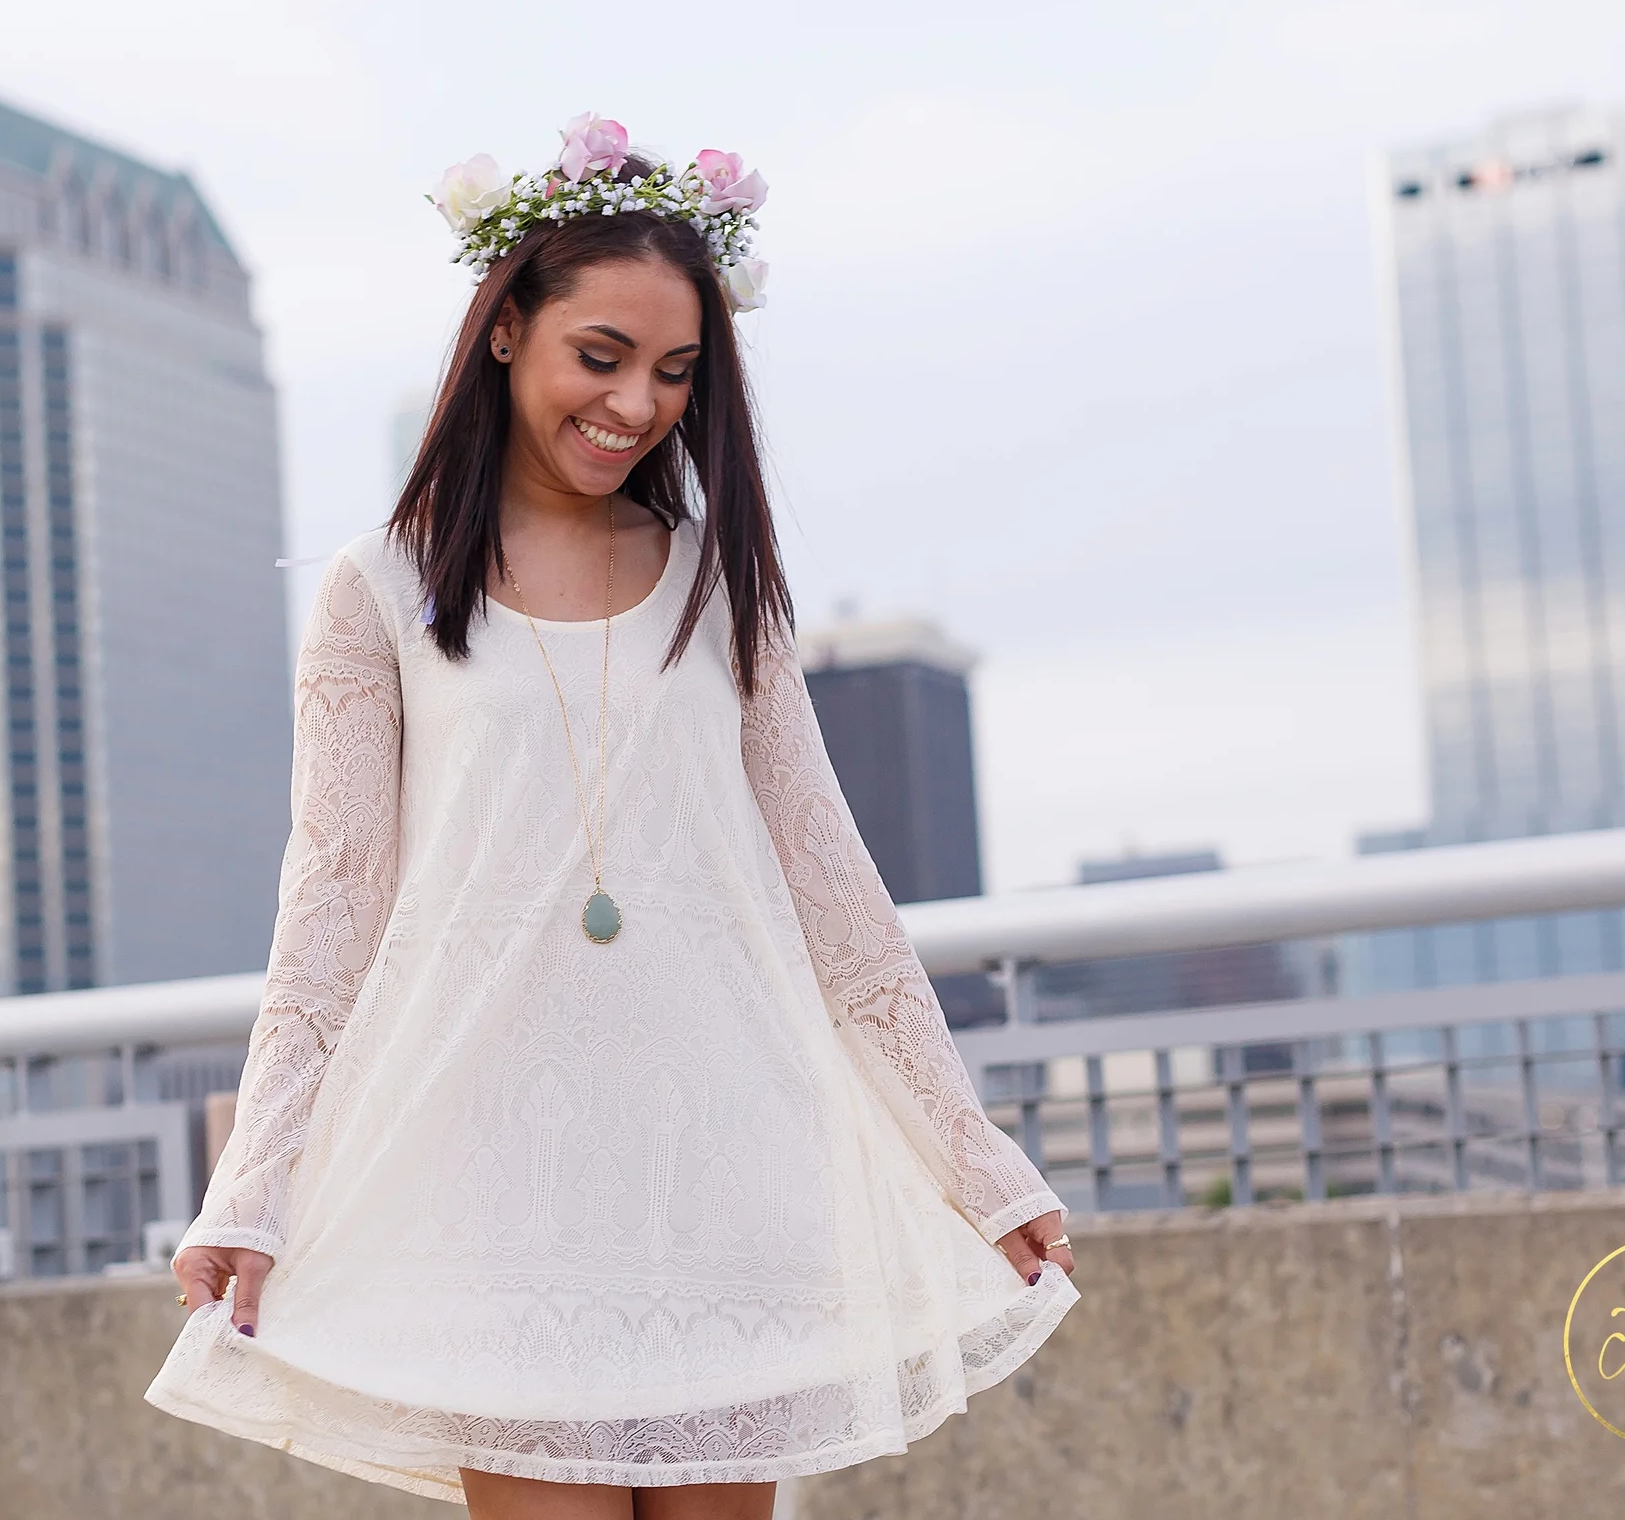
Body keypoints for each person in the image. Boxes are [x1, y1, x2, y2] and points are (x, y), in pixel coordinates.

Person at [146, 116, 1078, 1520]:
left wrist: (975, 1160)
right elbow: (328, 913)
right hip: (499, 1188)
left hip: (727, 1164)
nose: (637, 402)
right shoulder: (377, 595)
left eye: (675, 371)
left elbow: (834, 887)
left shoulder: (726, 587)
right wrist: (253, 1193)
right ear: (509, 329)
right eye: (603, 354)